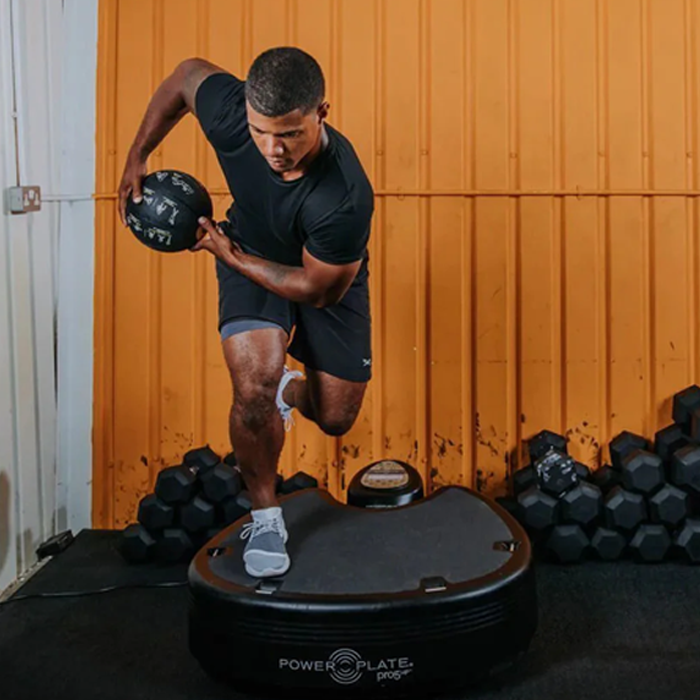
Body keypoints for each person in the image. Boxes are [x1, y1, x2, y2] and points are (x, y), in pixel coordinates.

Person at [118, 47, 374, 578]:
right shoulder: (231, 112)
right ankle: (266, 515)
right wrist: (137, 156)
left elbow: (317, 290)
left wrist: (230, 256)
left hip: (322, 271)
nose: (273, 149)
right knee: (254, 381)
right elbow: (185, 75)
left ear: (321, 113)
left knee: (335, 416)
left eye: (290, 134)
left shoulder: (343, 195)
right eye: (261, 132)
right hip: (249, 244)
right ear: (247, 115)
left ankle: (290, 391)